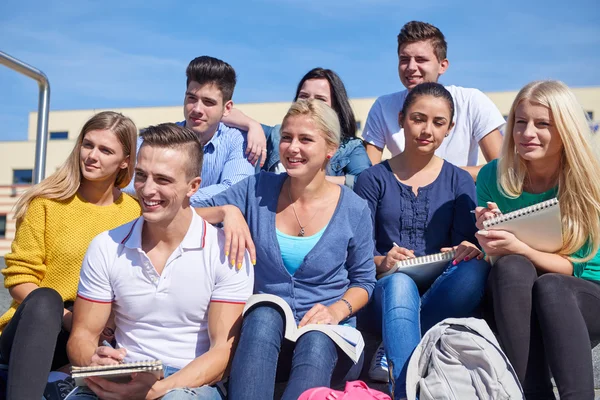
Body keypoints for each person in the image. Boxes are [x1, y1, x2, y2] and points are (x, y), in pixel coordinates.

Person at [196, 99, 376, 400]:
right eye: (287, 137)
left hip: (330, 341)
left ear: (330, 149)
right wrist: (226, 211)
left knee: (317, 339)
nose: (292, 148)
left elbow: (364, 281)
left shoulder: (355, 209)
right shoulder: (256, 189)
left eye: (306, 139)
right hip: (262, 342)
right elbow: (184, 216)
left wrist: (335, 311)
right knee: (264, 312)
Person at [67, 123, 254, 400]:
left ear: (193, 186)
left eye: (163, 180)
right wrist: (95, 361)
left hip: (189, 382)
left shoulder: (227, 251)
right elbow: (81, 335)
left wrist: (155, 390)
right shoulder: (106, 246)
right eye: (141, 176)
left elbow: (221, 354)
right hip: (125, 371)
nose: (147, 190)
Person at [354, 83, 490, 400]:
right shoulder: (371, 179)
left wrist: (464, 250)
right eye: (418, 118)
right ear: (401, 119)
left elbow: (466, 244)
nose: (427, 130)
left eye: (438, 122)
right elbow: (357, 255)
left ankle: (396, 343)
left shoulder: (459, 180)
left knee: (475, 271)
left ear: (449, 128)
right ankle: (406, 388)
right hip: (383, 293)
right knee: (400, 282)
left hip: (441, 292)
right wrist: (382, 262)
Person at [0, 111, 141, 400]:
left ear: (125, 161)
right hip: (38, 326)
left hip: (100, 330)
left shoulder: (136, 212)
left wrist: (226, 211)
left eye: (105, 150)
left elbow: (179, 216)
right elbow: (19, 280)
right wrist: (69, 319)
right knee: (46, 299)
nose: (91, 155)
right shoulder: (46, 204)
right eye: (87, 145)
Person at [476, 80, 600, 400]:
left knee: (552, 285)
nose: (527, 132)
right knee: (510, 267)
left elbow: (578, 268)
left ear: (566, 129)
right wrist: (490, 238)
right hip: (518, 297)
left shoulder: (591, 180)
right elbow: (499, 262)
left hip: (582, 299)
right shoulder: (493, 176)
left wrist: (521, 247)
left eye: (542, 123)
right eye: (520, 122)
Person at [362, 21, 505, 180]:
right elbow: (368, 175)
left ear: (443, 66)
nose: (411, 67)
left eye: (421, 59)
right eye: (404, 59)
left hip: (462, 201)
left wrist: (440, 175)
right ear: (401, 118)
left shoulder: (471, 101)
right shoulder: (382, 107)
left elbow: (502, 166)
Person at [124, 56, 256, 206]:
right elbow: (125, 184)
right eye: (192, 98)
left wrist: (170, 198)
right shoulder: (155, 139)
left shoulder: (238, 141)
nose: (197, 109)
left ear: (227, 108)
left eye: (208, 102)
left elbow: (234, 191)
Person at [223, 67, 372, 188]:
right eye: (304, 96)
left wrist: (311, 181)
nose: (310, 103)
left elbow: (367, 182)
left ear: (336, 106)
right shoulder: (275, 134)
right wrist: (252, 125)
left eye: (320, 99)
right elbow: (223, 113)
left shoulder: (351, 147)